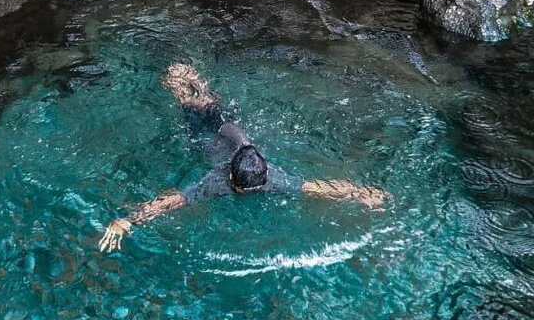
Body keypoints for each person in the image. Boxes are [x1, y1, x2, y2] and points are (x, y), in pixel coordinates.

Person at [98, 63, 391, 253]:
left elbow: (172, 201)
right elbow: (317, 187)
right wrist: (128, 221)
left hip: (227, 131)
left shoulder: (261, 176)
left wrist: (360, 193)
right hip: (211, 135)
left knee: (208, 102)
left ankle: (188, 78)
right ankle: (183, 78)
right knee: (189, 99)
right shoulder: (226, 181)